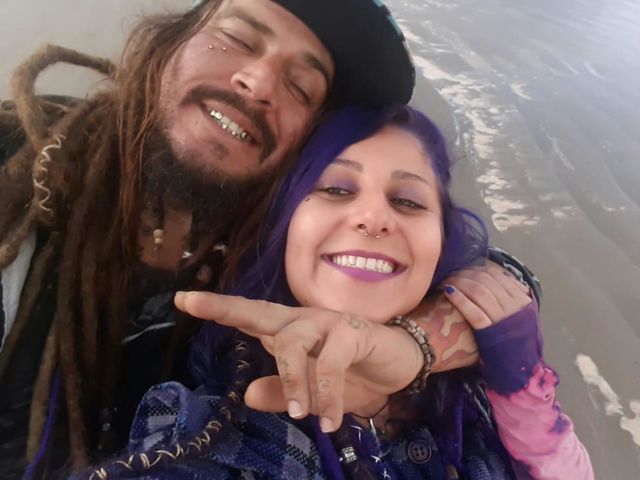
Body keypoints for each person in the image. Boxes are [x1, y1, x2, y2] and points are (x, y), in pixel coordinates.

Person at [0, 0, 419, 477]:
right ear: (168, 44)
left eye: (301, 87)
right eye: (236, 39)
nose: (258, 84)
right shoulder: (16, 157)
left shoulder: (291, 254)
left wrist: (422, 340)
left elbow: (453, 269)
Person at [83, 106, 593, 479]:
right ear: (283, 228)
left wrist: (519, 383)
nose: (373, 217)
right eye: (336, 189)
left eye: (408, 201)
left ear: (443, 243)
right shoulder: (220, 431)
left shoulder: (470, 387)